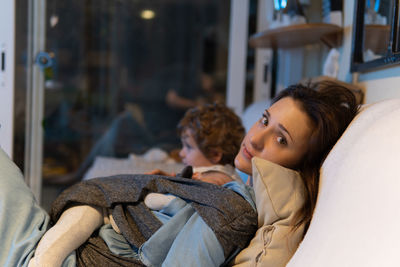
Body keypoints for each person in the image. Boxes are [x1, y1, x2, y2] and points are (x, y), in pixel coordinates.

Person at [1, 81, 358, 266]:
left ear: (302, 162)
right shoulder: (229, 191)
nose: (257, 137)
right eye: (264, 119)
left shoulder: (233, 212)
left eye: (281, 138)